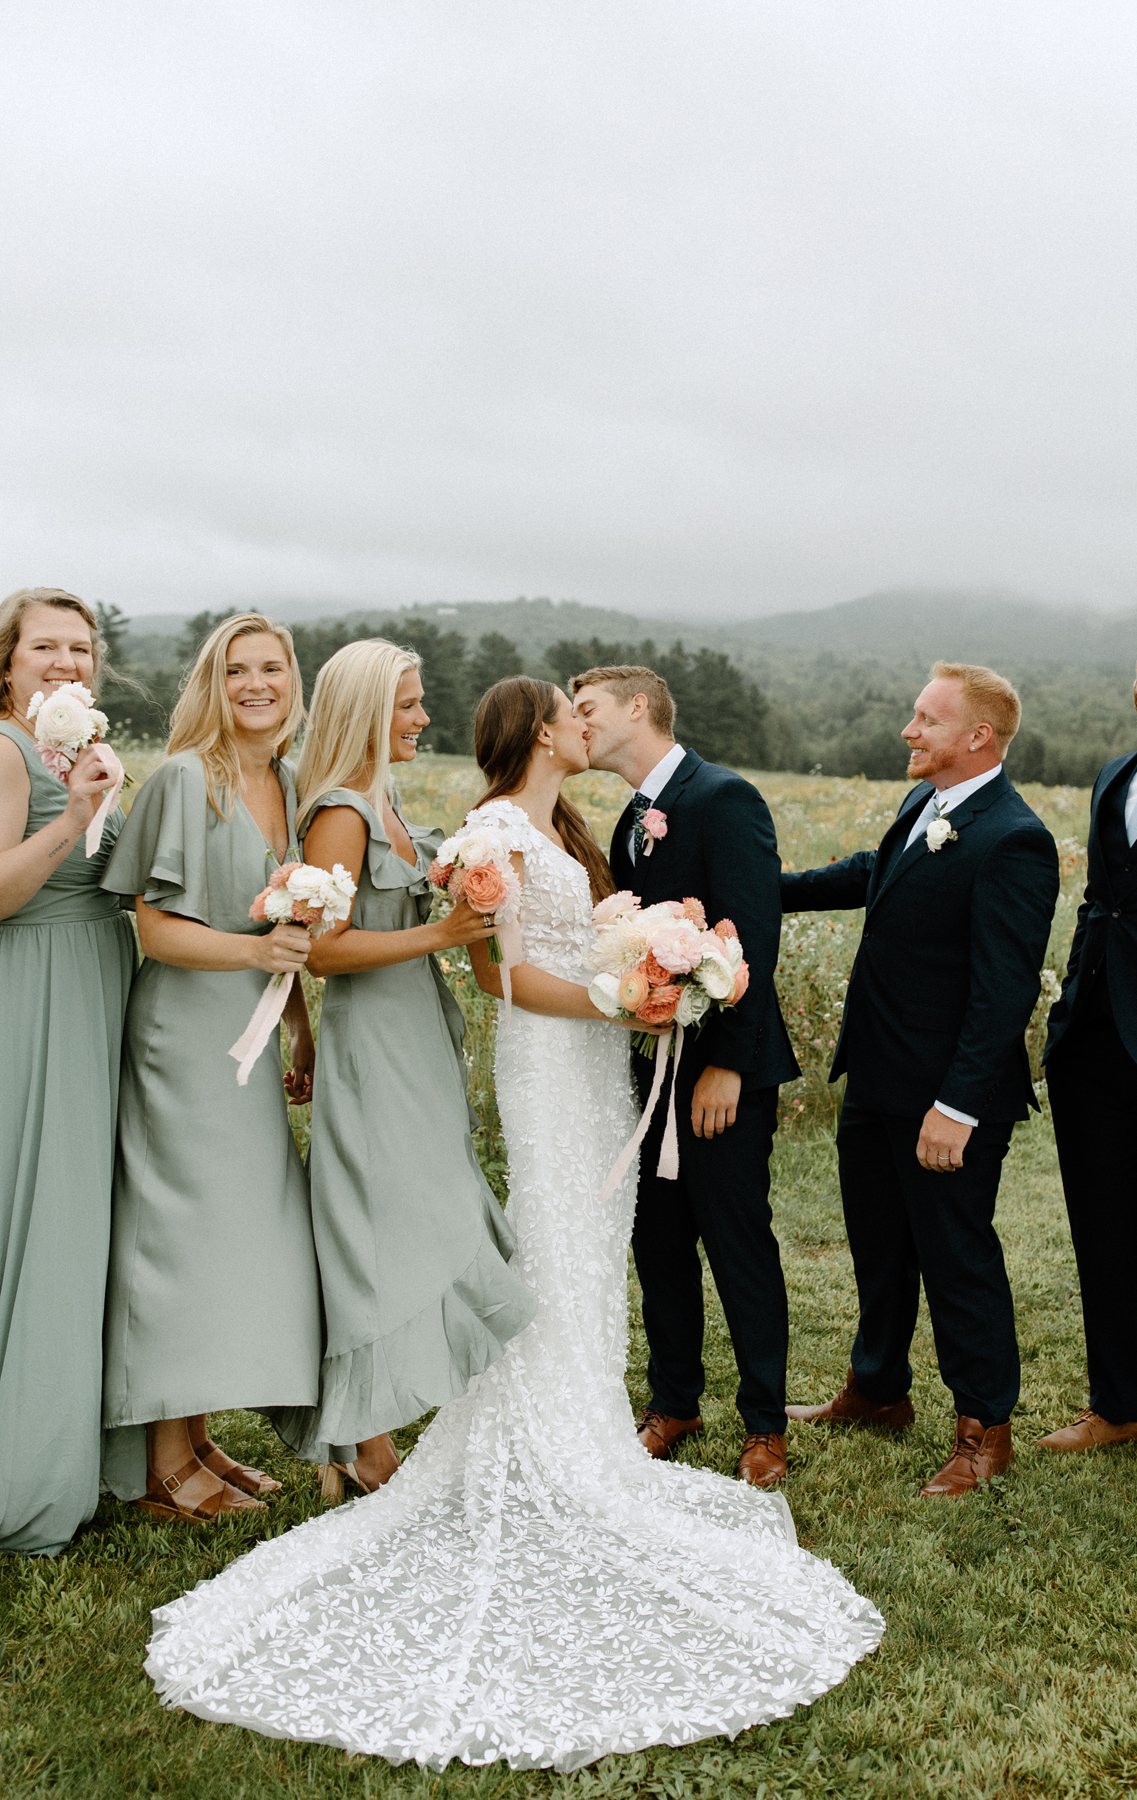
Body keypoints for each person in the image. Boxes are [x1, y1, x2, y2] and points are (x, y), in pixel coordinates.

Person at [141, 674, 882, 1772]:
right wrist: (616, 996)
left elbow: (579, 943)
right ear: (545, 731)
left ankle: (590, 1424)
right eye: (574, 715)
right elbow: (500, 975)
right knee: (554, 1242)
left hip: (597, 1060)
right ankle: (538, 1438)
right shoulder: (491, 830)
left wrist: (645, 963)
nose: (587, 726)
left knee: (594, 1254)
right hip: (551, 1062)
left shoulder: (577, 827)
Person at [783, 663, 1058, 1497]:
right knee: (879, 1245)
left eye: (925, 720)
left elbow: (1003, 990)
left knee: (957, 1257)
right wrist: (762, 892)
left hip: (948, 1098)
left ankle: (985, 1429)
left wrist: (957, 1105)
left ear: (978, 737)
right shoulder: (924, 807)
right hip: (875, 1076)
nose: (908, 731)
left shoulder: (1015, 838)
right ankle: (877, 1389)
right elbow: (874, 872)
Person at [290, 639, 536, 1495]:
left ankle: (377, 1424)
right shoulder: (341, 813)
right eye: (408, 704)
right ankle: (363, 1440)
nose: (424, 718)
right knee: (379, 1229)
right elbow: (322, 952)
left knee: (422, 1211)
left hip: (415, 1033)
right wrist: (441, 932)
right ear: (363, 710)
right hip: (374, 1042)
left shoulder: (381, 800)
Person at [100, 613, 321, 1522]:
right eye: (237, 670)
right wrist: (255, 960)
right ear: (212, 684)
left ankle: (195, 1437)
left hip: (257, 1030)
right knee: (182, 1235)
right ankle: (159, 1465)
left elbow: (299, 926)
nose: (256, 685)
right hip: (187, 1033)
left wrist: (300, 1025)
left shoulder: (292, 779)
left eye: (272, 668)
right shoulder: (187, 779)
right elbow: (153, 927)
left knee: (230, 1234)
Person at [571, 664, 799, 1489]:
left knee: (737, 1239)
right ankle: (674, 1402)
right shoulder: (635, 815)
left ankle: (765, 1424)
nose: (577, 724)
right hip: (649, 1068)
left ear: (640, 708)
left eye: (587, 709)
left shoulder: (723, 797)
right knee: (658, 1239)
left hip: (720, 1075)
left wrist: (730, 1066)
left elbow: (753, 937)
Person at [1041, 607, 1137, 1519]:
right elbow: (1108, 904)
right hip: (1095, 1047)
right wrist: (1067, 1015)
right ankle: (1119, 1408)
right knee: (1105, 1240)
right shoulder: (1113, 777)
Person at [0, 587, 135, 1555]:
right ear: (7, 663)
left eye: (80, 648)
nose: (65, 662)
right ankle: (26, 1477)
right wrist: (75, 813)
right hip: (34, 990)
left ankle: (79, 1445)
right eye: (44, 646)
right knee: (40, 1219)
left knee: (82, 1218)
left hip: (98, 985)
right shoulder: (8, 750)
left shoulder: (72, 748)